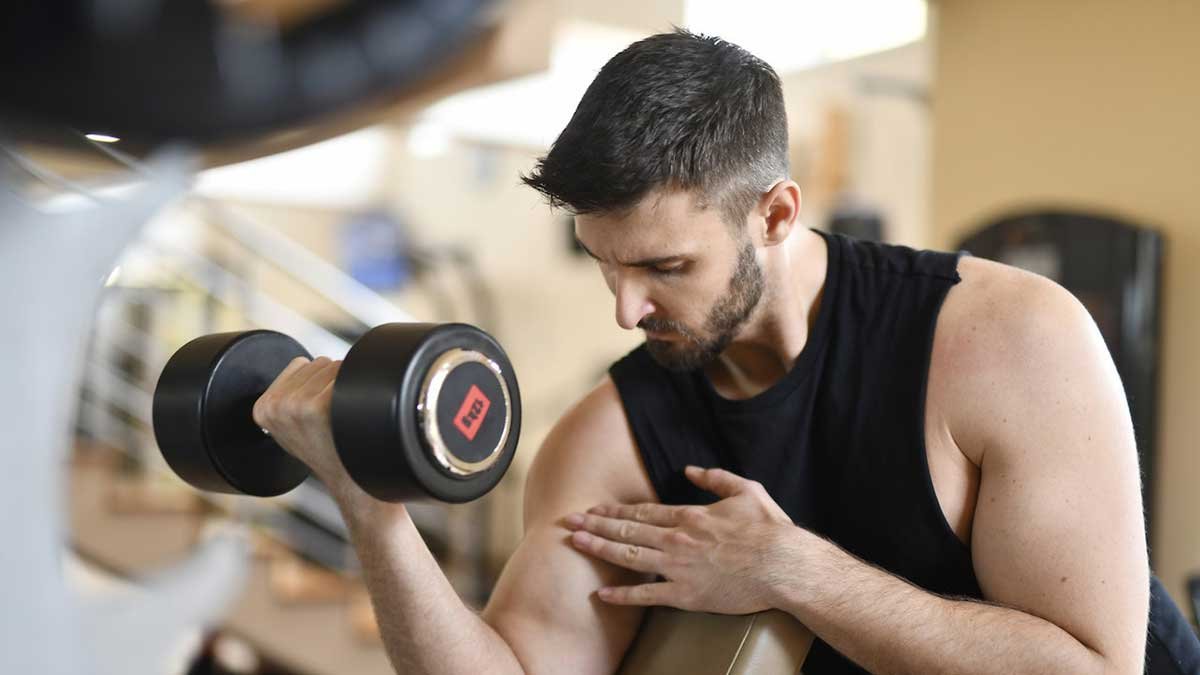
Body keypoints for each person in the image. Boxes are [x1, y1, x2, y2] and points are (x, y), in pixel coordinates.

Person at [251, 30, 1199, 674]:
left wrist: (792, 571)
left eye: (664, 266)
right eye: (605, 264)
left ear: (776, 214)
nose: (626, 308)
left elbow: (1093, 668)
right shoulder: (609, 440)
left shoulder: (1007, 339)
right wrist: (374, 515)